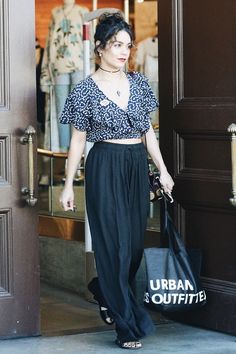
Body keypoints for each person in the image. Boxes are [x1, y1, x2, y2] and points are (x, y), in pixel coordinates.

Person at [59, 12, 174, 350]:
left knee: (134, 247)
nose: (124, 51)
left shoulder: (139, 83)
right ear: (100, 47)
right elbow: (78, 141)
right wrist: (68, 185)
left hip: (136, 164)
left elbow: (148, 133)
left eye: (127, 45)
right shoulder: (84, 90)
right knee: (114, 246)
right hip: (104, 164)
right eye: (116, 45)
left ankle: (103, 289)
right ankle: (126, 325)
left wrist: (163, 170)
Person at [40, 0, 90, 152]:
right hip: (58, 66)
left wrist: (93, 67)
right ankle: (65, 151)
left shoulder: (83, 11)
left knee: (79, 109)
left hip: (80, 65)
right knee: (62, 110)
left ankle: (80, 149)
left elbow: (90, 40)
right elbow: (49, 43)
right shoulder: (55, 12)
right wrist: (45, 73)